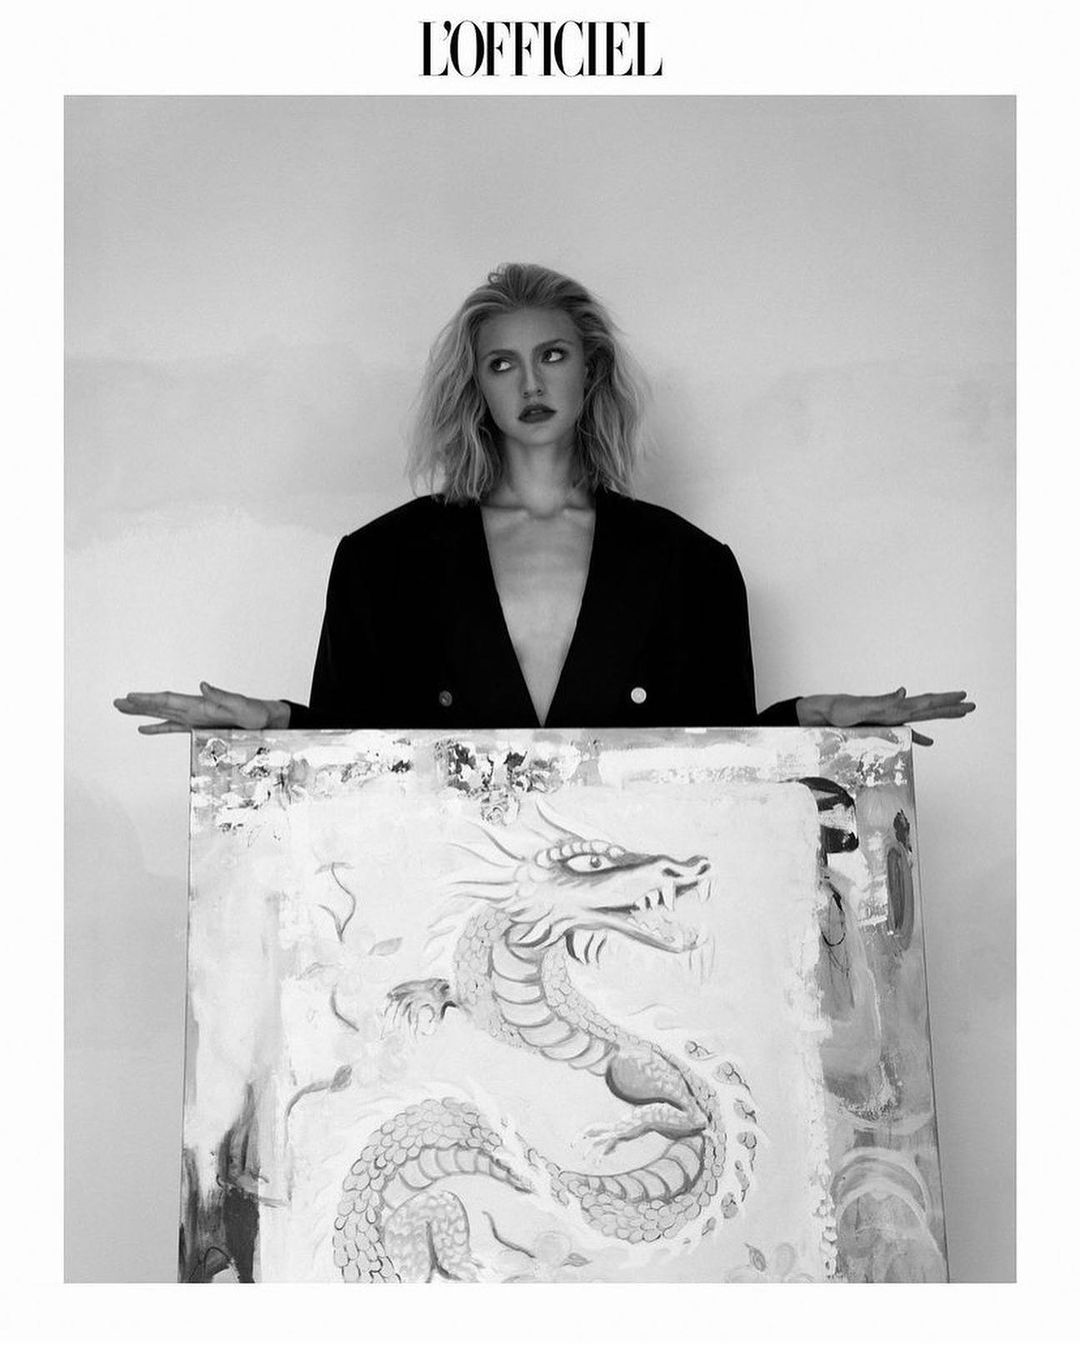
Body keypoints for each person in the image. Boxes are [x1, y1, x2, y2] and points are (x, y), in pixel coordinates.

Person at [115, 263, 973, 743]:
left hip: (638, 945)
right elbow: (354, 750)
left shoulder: (689, 565)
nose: (530, 383)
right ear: (476, 388)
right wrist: (273, 721)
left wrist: (807, 721)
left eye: (553, 356)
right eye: (502, 364)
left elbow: (715, 758)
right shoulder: (382, 559)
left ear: (590, 371)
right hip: (434, 922)